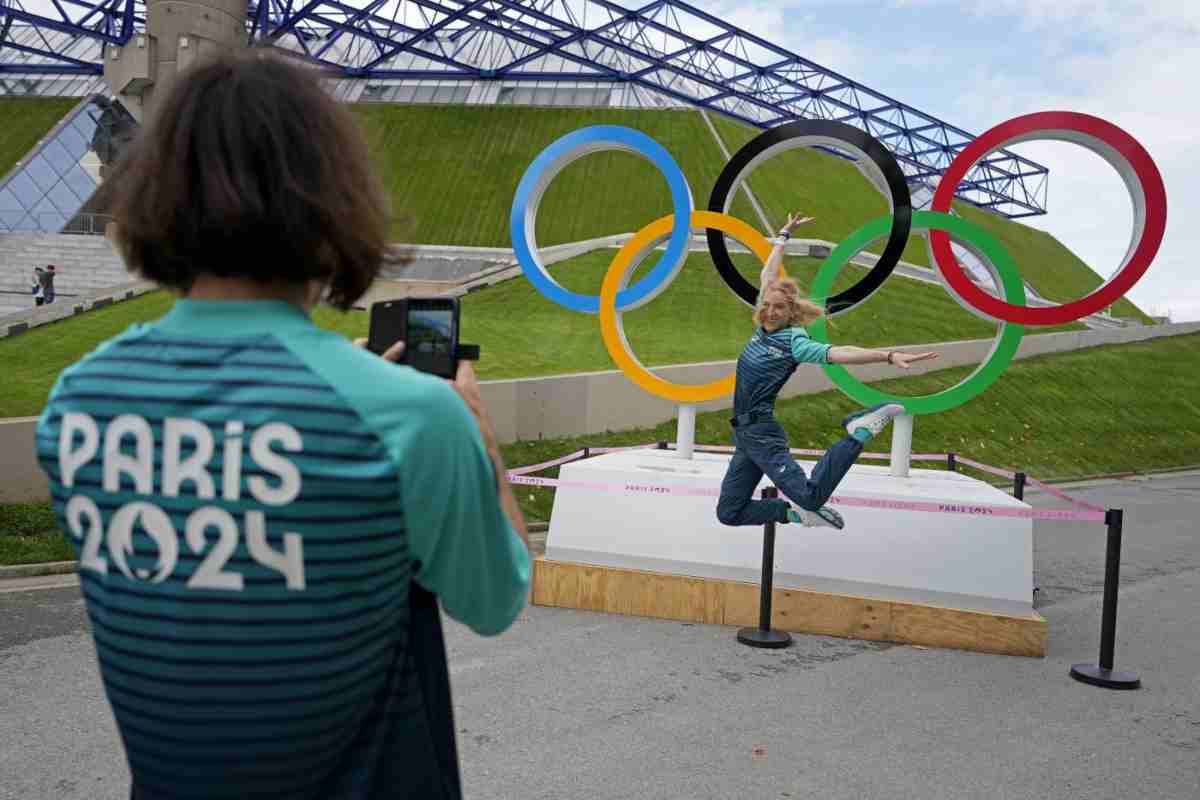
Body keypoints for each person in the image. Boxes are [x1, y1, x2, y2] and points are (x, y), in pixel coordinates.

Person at [35, 51, 529, 800]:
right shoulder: (413, 419)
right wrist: (481, 444)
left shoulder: (80, 402)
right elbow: (494, 603)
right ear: (331, 201)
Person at [715, 211, 937, 530]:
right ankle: (795, 515)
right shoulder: (762, 327)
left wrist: (887, 356)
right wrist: (783, 237)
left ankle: (858, 432)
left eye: (779, 307)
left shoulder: (794, 341)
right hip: (744, 435)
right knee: (729, 512)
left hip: (761, 432)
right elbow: (768, 274)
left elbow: (840, 352)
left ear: (791, 311)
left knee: (811, 495)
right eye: (767, 305)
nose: (770, 311)